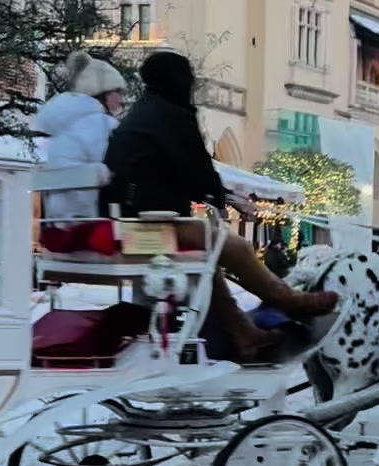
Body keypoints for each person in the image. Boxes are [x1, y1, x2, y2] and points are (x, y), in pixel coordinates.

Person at [104, 51, 337, 361]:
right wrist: (218, 195)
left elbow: (173, 172)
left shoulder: (143, 114)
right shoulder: (171, 115)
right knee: (235, 246)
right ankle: (287, 300)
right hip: (149, 230)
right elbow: (199, 171)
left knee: (206, 261)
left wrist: (218, 194)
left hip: (128, 227)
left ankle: (243, 332)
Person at [31, 51, 126, 222]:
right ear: (102, 92)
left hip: (58, 217)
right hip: (88, 218)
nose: (122, 99)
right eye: (118, 91)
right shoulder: (101, 124)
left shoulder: (66, 122)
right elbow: (117, 166)